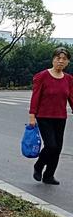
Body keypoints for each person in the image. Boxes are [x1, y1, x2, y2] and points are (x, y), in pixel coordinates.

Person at [29, 47, 73, 185]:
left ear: (67, 62)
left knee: (58, 148)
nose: (60, 61)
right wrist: (32, 116)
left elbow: (71, 97)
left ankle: (49, 176)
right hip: (44, 117)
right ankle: (39, 166)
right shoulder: (42, 76)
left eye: (64, 59)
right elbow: (35, 96)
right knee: (51, 146)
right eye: (58, 58)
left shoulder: (69, 79)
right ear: (53, 60)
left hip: (60, 117)